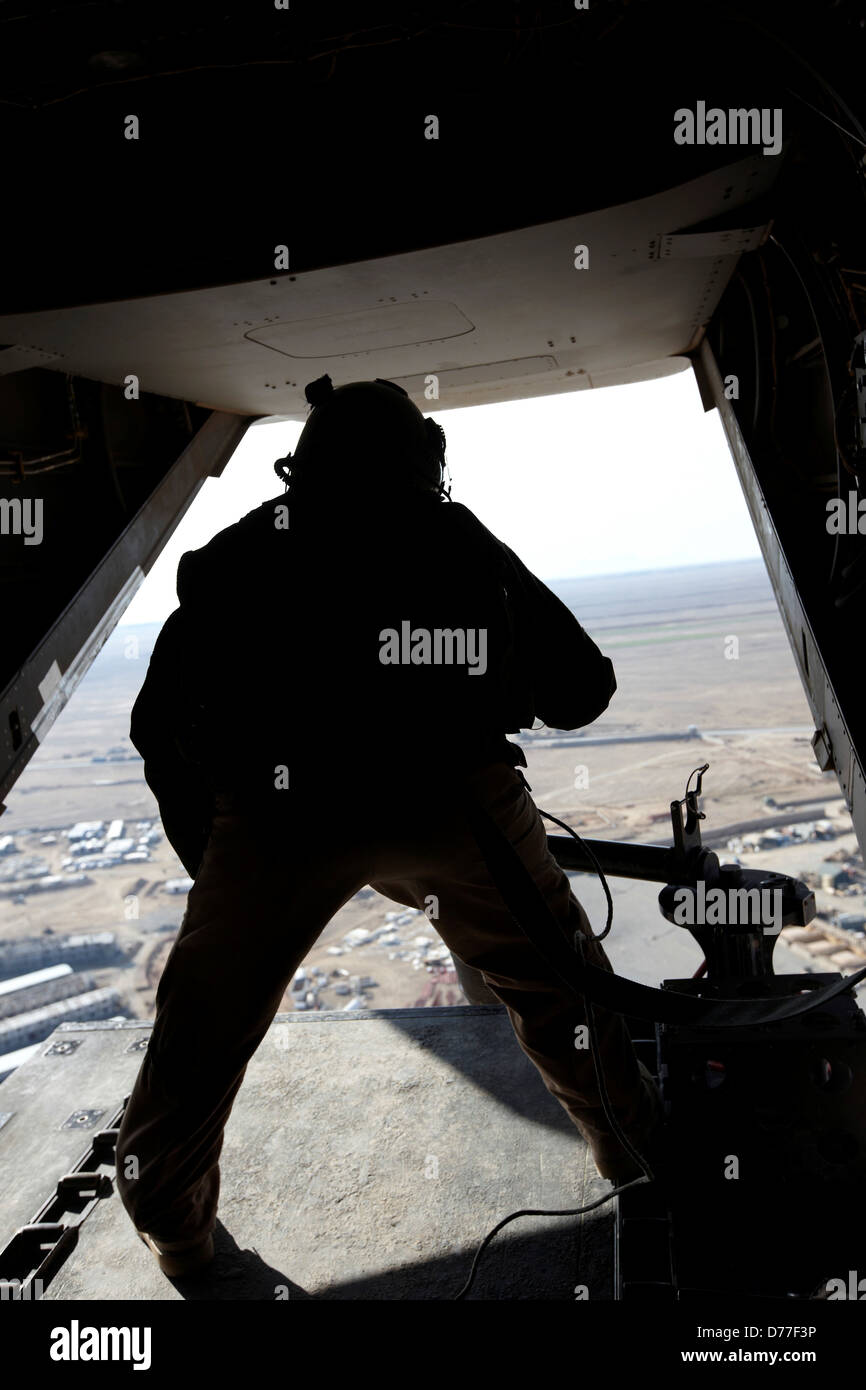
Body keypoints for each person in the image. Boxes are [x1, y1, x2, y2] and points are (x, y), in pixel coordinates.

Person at [116, 375, 660, 1278]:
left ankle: (177, 1237)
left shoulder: (238, 557)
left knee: (201, 1027)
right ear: (425, 463)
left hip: (278, 816)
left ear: (304, 464)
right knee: (560, 993)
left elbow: (159, 728)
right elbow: (582, 689)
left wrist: (217, 860)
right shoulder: (452, 535)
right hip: (454, 796)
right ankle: (635, 1164)